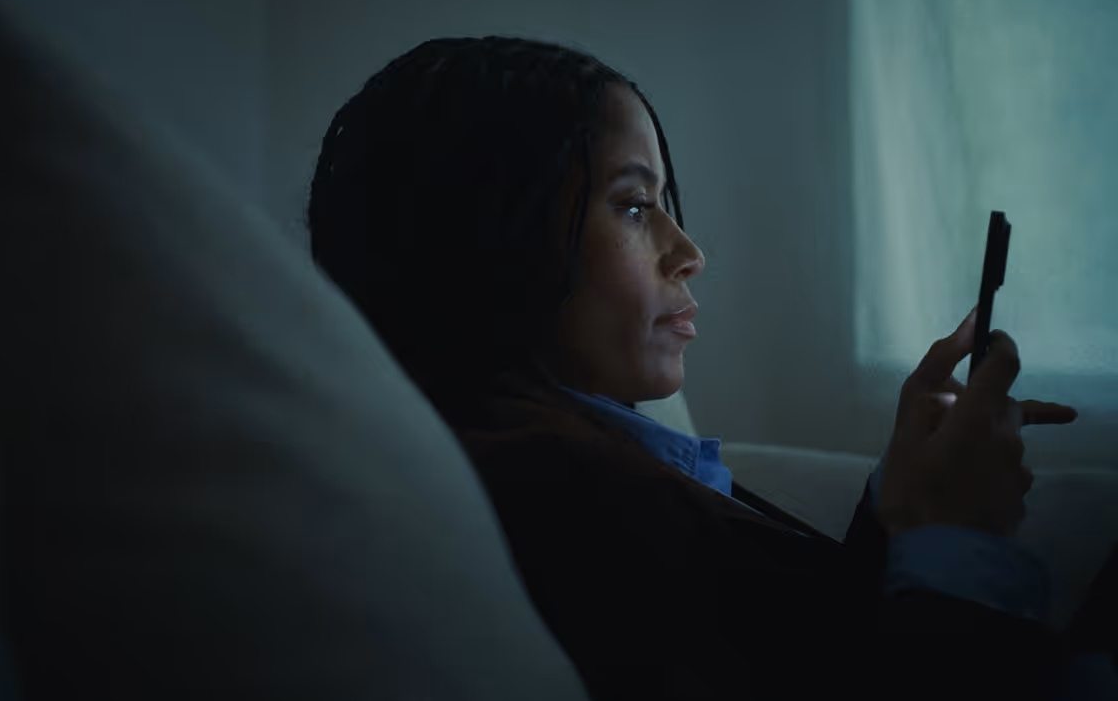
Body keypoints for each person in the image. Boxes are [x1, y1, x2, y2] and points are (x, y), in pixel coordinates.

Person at [306, 36, 1112, 699]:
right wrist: (956, 538)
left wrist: (900, 506)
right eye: (632, 205)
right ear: (484, 236)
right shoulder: (545, 481)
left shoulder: (574, 438)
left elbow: (804, 641)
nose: (689, 252)